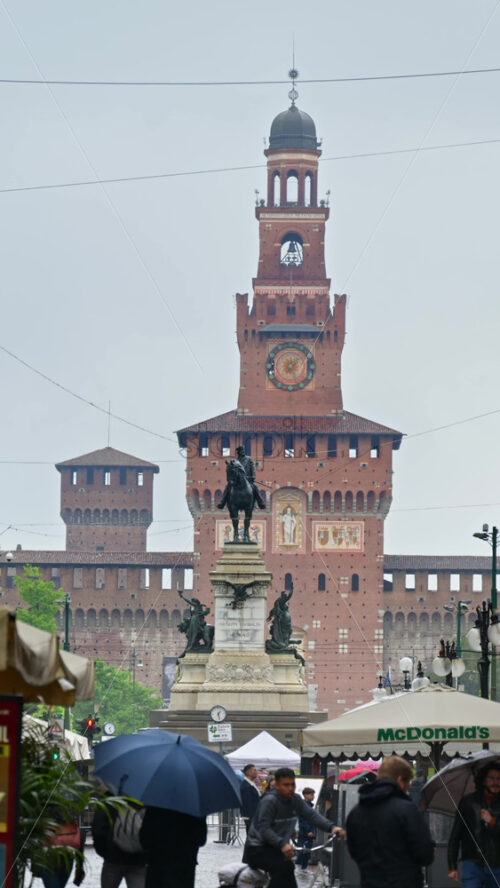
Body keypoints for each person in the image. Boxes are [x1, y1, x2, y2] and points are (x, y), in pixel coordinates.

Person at [243, 766, 344, 888]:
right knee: (282, 868)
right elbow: (263, 828)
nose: (290, 788)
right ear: (277, 785)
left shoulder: (295, 800)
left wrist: (332, 827)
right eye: (286, 785)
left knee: (288, 871)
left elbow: (311, 815)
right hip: (257, 849)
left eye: (293, 784)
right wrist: (282, 843)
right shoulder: (270, 801)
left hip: (277, 848)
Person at [346, 755, 434, 888]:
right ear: (400, 780)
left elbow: (353, 851)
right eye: (407, 783)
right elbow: (424, 854)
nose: (407, 789)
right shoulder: (407, 810)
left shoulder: (356, 812)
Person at [448, 763, 500, 887]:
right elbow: (456, 834)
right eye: (491, 778)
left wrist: (492, 822)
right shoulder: (468, 802)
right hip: (472, 863)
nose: (495, 782)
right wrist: (452, 866)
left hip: (497, 865)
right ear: (483, 780)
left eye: (499, 779)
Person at [139, 806, 206, 888]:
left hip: (157, 866)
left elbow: (144, 840)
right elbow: (201, 840)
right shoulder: (196, 810)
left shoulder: (155, 808)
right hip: (184, 868)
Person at [92, 799, 146, 888]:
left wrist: (105, 852)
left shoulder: (109, 798)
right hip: (139, 858)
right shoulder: (144, 798)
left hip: (113, 857)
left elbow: (98, 829)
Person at [218, 445, 266, 511]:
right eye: (241, 451)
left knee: (255, 487)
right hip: (236, 481)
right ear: (238, 452)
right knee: (227, 487)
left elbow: (252, 469)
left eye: (243, 450)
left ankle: (260, 502)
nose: (243, 452)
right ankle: (222, 502)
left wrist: (253, 476)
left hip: (248, 479)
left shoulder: (248, 459)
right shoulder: (234, 461)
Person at [295, 788, 316, 872]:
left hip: (308, 832)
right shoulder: (304, 806)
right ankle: (299, 867)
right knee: (304, 850)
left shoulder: (309, 805)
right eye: (311, 794)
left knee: (307, 851)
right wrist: (309, 831)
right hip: (305, 833)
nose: (313, 796)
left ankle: (303, 867)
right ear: (306, 795)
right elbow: (303, 820)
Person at [240, 764, 260, 834]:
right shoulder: (246, 786)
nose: (256, 772)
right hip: (251, 816)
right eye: (254, 770)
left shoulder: (250, 784)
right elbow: (248, 804)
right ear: (248, 772)